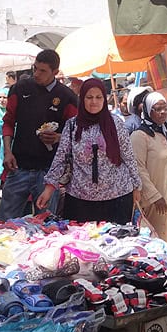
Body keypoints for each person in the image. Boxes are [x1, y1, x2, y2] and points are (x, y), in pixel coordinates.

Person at [37, 78, 142, 224]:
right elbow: (61, 159)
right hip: (80, 200)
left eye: (98, 97)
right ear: (82, 98)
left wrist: (136, 186)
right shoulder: (72, 125)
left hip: (117, 198)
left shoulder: (116, 123)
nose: (94, 102)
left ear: (105, 100)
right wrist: (48, 189)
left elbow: (128, 156)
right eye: (89, 97)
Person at [0, 50, 78, 220]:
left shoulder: (67, 97)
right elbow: (9, 121)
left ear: (55, 72)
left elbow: (76, 132)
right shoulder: (19, 88)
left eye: (43, 71)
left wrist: (58, 137)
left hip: (49, 172)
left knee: (47, 224)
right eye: (35, 68)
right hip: (18, 167)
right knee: (5, 221)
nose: (36, 74)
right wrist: (7, 151)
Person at [130, 92, 167, 244]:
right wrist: (155, 196)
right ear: (148, 111)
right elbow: (138, 169)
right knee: (157, 240)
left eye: (165, 108)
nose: (162, 112)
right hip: (153, 201)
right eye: (157, 109)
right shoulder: (139, 136)